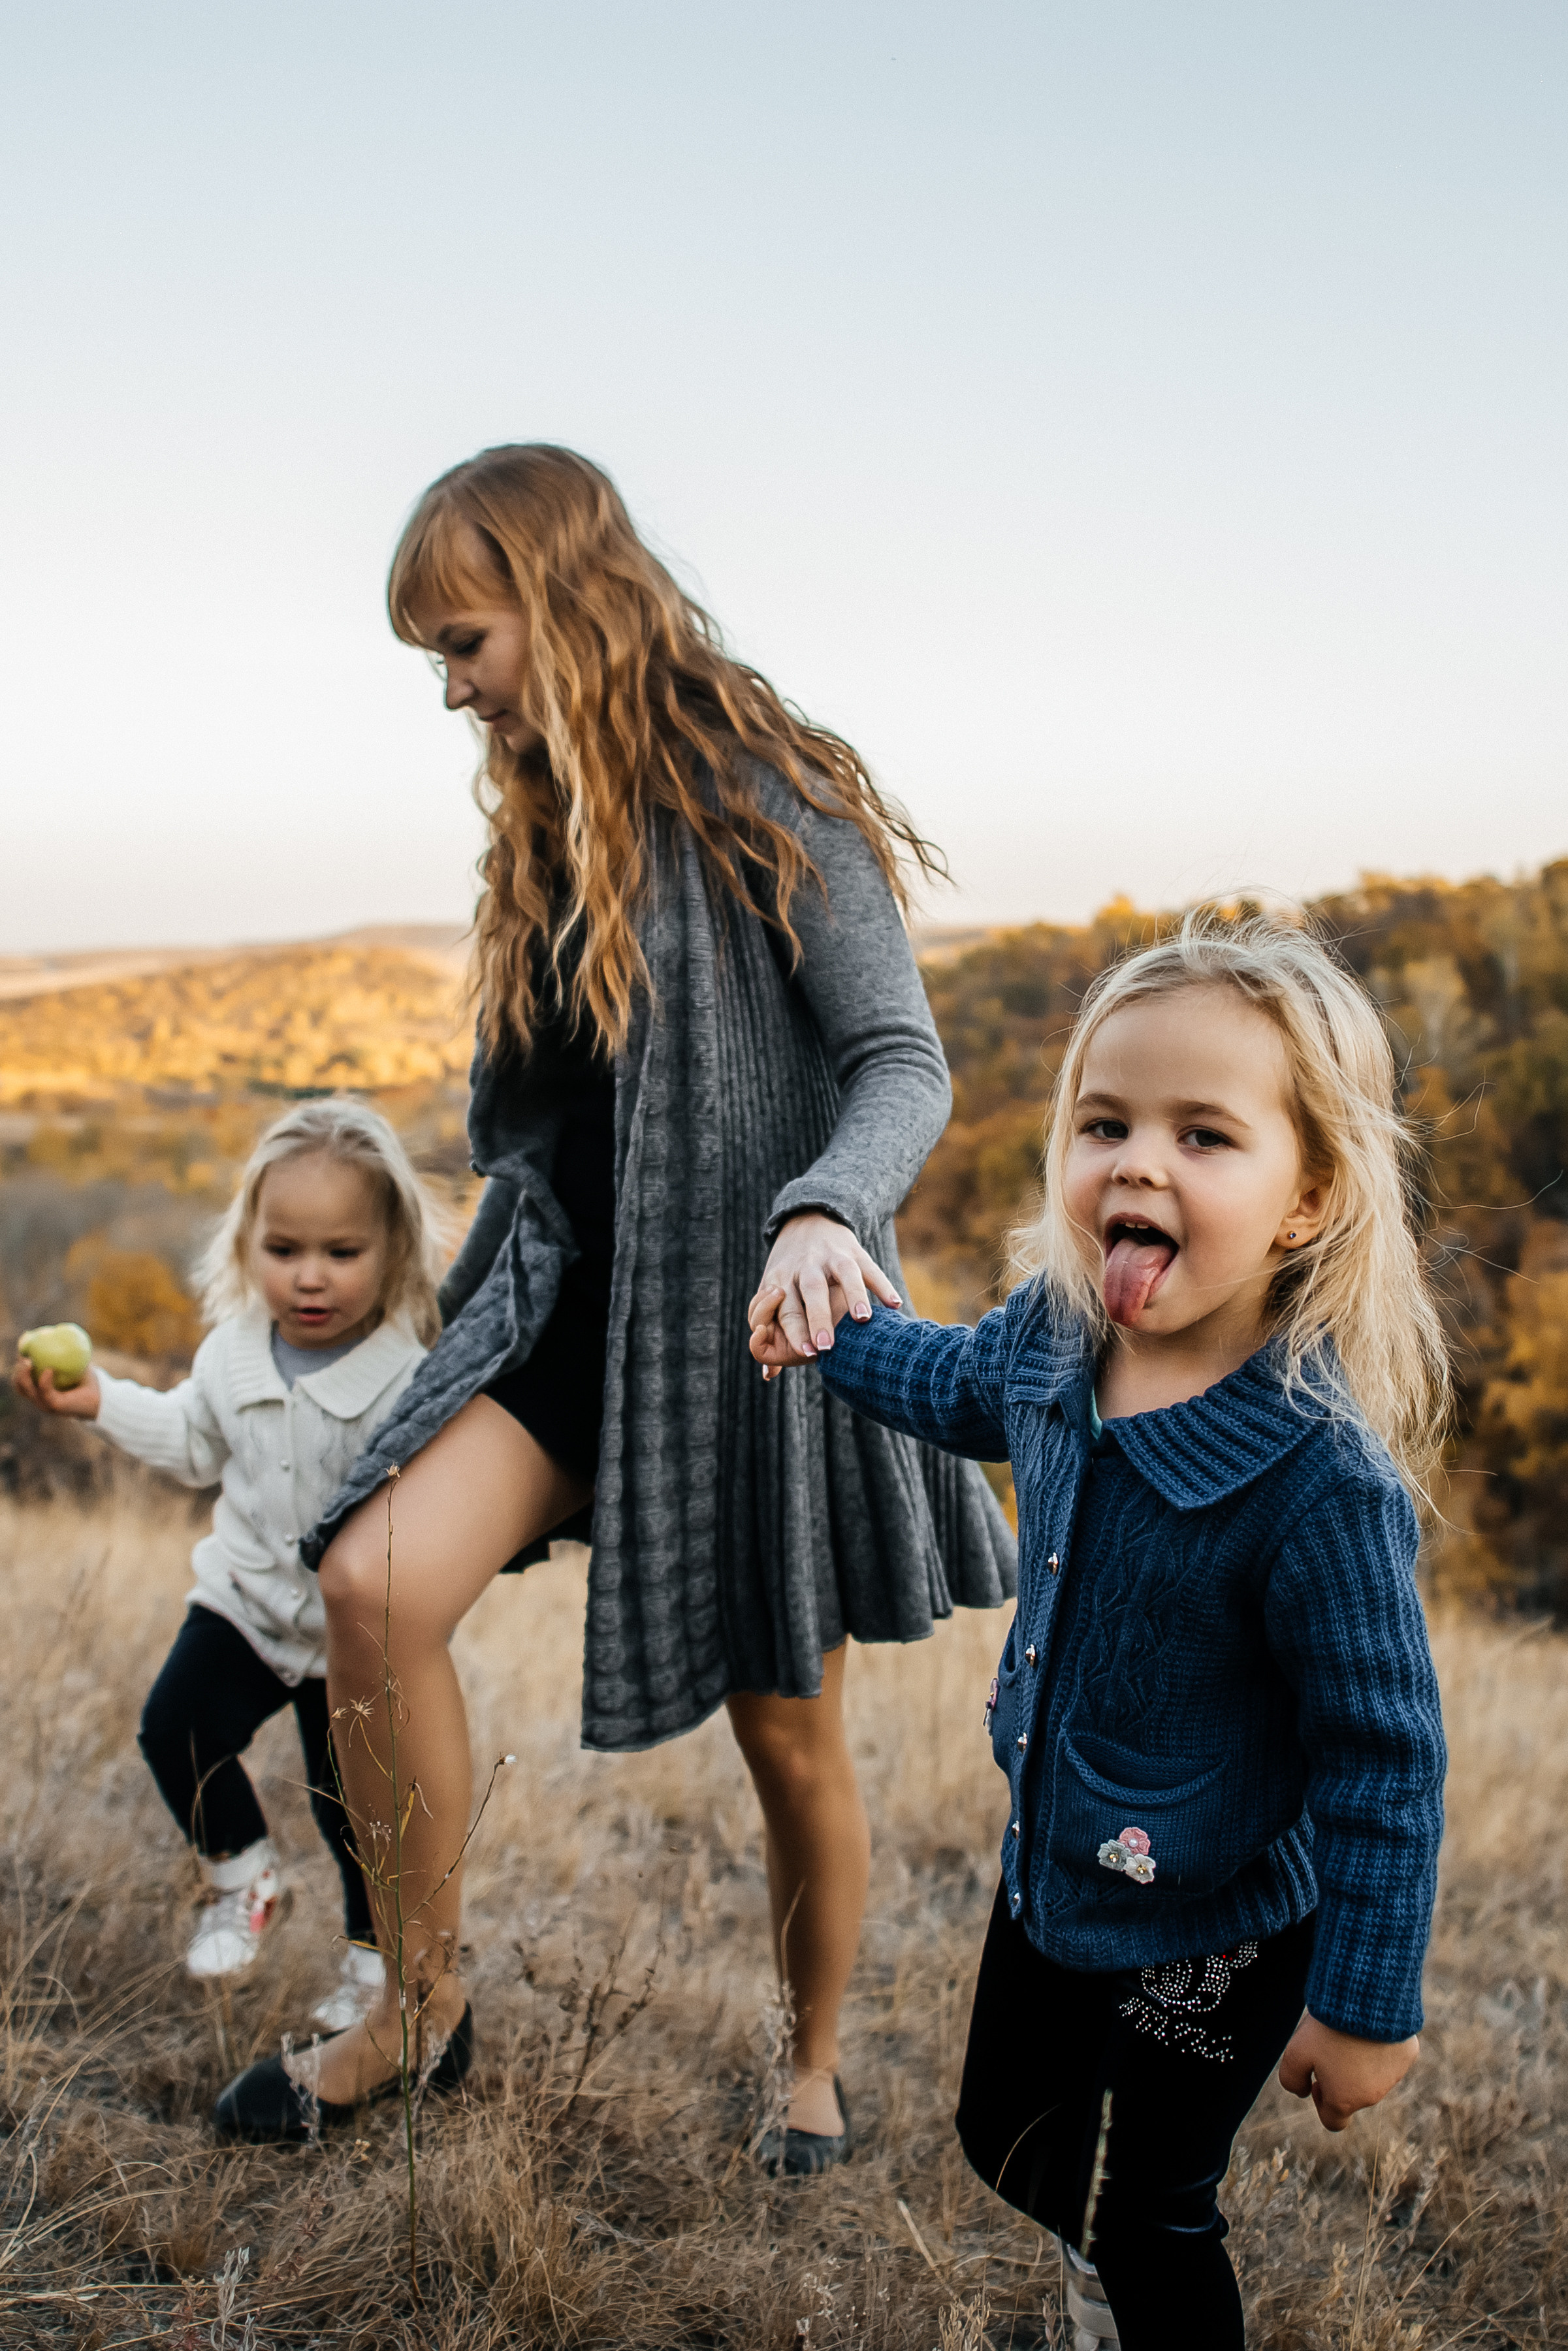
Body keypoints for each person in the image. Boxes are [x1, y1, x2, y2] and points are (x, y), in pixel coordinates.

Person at [212, 444, 1015, 2149]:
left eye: (465, 642)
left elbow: (902, 1063)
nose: (449, 690)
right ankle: (420, 2007)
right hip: (574, 1322)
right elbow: (556, 1120)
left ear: (565, 601)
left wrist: (824, 1212)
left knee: (787, 1743)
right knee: (366, 1586)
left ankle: (808, 2071)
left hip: (756, 1341)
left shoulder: (762, 783)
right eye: (430, 655)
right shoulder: (545, 821)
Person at [750, 918, 1448, 2350]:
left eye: (1203, 1135)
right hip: (1056, 1864)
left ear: (1305, 1198)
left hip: (1223, 1927)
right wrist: (828, 1329)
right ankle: (1091, 2255)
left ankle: (1132, 2293)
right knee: (1003, 2132)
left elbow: (1385, 1763)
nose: (1136, 1162)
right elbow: (953, 1383)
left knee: (1156, 2210)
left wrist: (1366, 2006)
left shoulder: (1317, 1484)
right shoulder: (1059, 1341)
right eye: (1104, 1123)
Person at [13, 1098, 443, 2030]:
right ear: (248, 1242)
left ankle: (375, 1974)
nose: (310, 1278)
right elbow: (191, 1442)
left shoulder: (405, 1377)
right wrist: (99, 1401)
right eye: (284, 1249)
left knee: (358, 1813)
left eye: (342, 1251)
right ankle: (241, 1879)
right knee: (176, 1727)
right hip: (245, 1606)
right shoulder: (233, 1352)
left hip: (352, 1639)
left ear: (394, 1249)